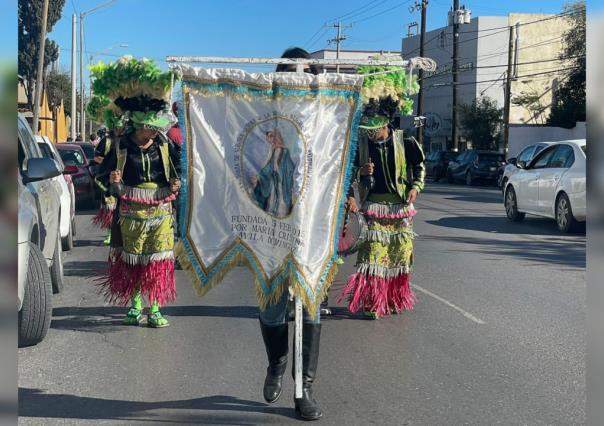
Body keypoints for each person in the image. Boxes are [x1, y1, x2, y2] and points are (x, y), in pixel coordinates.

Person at [257, 47, 323, 421]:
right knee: (271, 309)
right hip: (273, 226)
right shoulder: (269, 116)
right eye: (291, 70)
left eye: (306, 70)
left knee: (310, 308)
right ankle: (276, 362)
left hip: (312, 230)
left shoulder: (326, 118)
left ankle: (304, 389)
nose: (299, 76)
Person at [94, 57, 181, 328]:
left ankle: (154, 309)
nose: (153, 133)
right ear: (138, 124)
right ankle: (135, 307)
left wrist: (177, 183)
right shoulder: (121, 147)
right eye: (149, 128)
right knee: (133, 261)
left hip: (160, 210)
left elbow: (180, 168)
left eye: (156, 128)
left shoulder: (165, 146)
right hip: (130, 213)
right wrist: (113, 182)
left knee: (157, 262)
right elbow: (99, 177)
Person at [338, 68, 426, 319]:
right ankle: (371, 302)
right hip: (373, 207)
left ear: (386, 123)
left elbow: (419, 167)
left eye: (374, 128)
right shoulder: (361, 145)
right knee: (373, 255)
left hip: (399, 209)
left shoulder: (406, 141)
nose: (370, 132)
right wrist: (358, 179)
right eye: (367, 128)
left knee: (399, 257)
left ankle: (392, 298)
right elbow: (347, 176)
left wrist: (414, 188)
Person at [250, 126, 296, 217]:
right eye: (268, 137)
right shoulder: (272, 151)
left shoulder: (285, 151)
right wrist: (259, 176)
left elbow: (290, 167)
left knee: (282, 200)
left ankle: (281, 214)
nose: (270, 139)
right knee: (272, 200)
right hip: (273, 181)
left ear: (277, 136)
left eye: (271, 136)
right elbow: (268, 167)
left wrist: (281, 173)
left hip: (282, 182)